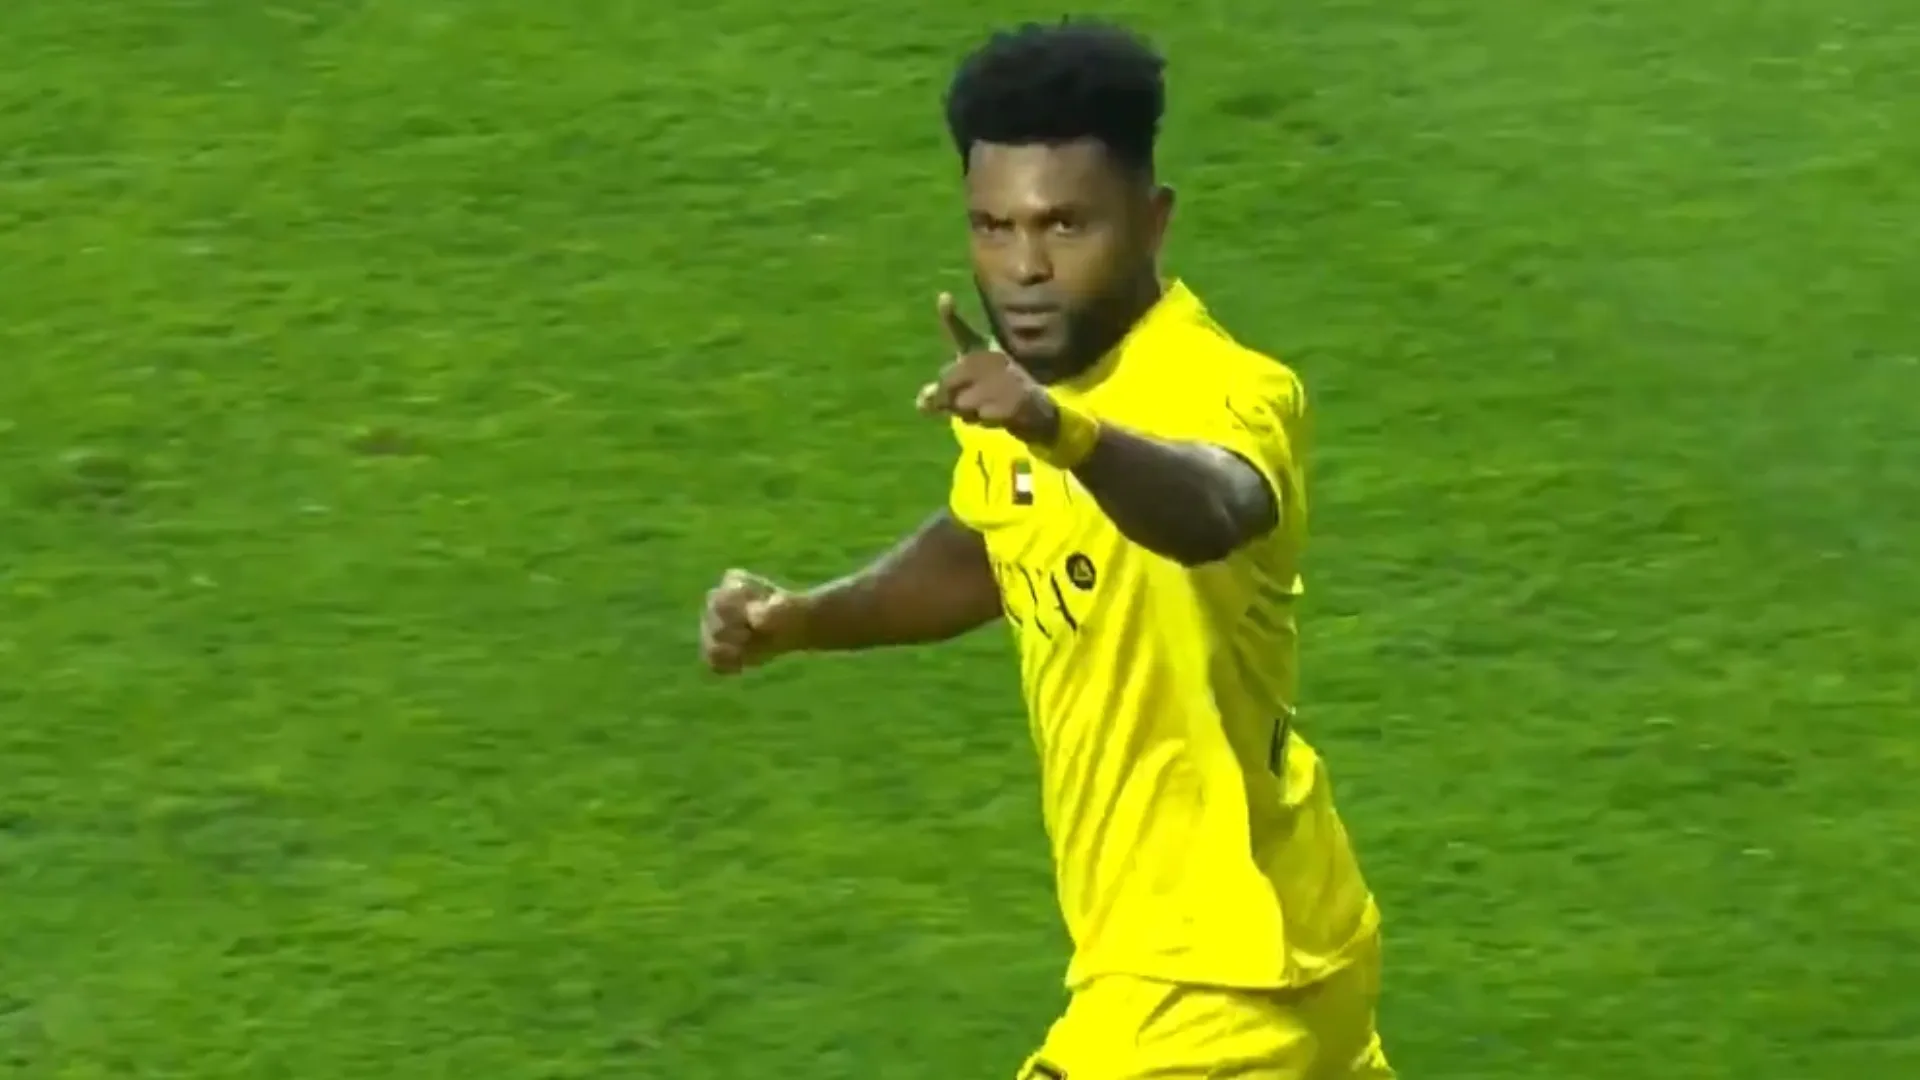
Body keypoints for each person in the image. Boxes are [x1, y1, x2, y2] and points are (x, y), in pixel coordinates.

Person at [699, 19, 1392, 1080]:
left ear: (1153, 223)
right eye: (994, 226)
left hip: (1218, 979)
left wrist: (1059, 430)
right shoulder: (1022, 391)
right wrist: (806, 618)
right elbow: (990, 545)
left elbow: (1216, 507)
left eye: (1066, 226)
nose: (1023, 267)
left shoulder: (1222, 389)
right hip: (1259, 940)